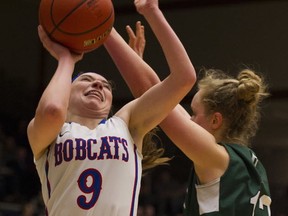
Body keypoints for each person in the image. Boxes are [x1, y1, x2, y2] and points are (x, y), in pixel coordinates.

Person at [26, 0, 196, 215]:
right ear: (65, 94)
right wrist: (66, 60)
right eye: (86, 80)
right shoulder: (50, 133)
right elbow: (52, 110)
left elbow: (183, 78)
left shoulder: (126, 123)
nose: (97, 84)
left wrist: (151, 12)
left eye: (105, 86)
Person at [105, 13, 272, 216]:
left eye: (194, 113)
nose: (189, 119)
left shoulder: (215, 157)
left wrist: (104, 26)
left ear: (215, 120)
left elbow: (153, 92)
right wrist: (138, 63)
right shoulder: (248, 162)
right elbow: (158, 98)